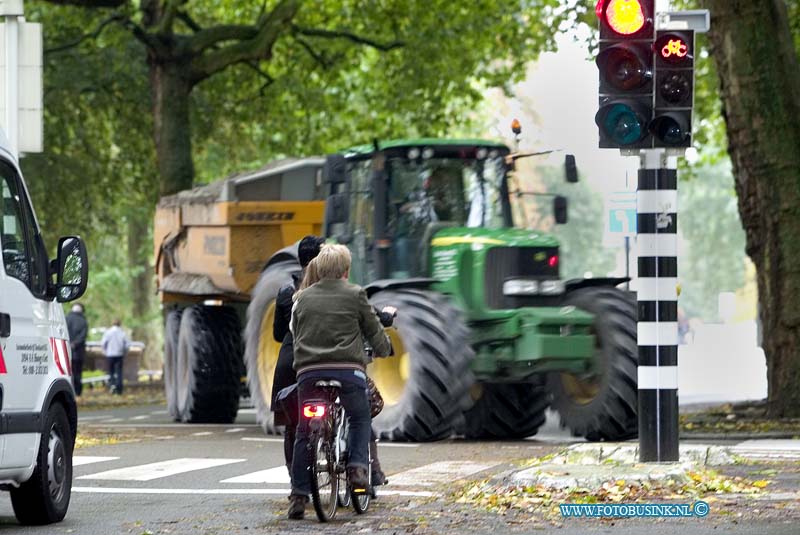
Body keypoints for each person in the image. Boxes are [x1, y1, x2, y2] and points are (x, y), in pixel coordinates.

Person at [287, 244, 395, 520]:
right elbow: (373, 330)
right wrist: (384, 349)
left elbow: (294, 332)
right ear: (346, 270)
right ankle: (358, 468)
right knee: (360, 418)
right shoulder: (356, 294)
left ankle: (299, 496)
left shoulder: (301, 298)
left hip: (308, 372)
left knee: (302, 431)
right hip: (348, 370)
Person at [272, 235, 326, 472]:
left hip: (290, 363)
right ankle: (364, 469)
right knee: (354, 409)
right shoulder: (332, 290)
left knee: (292, 425)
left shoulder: (286, 291)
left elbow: (277, 333)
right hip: (323, 359)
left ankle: (296, 480)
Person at [101, 319, 130, 395]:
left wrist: (105, 352)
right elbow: (127, 345)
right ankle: (119, 389)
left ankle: (112, 386)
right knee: (119, 372)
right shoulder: (122, 333)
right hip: (119, 355)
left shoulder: (108, 332)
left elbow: (103, 343)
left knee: (111, 372)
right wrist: (125, 352)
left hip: (110, 355)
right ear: (120, 324)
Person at [66, 303, 88, 397]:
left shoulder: (66, 318)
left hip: (66, 351)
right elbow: (83, 335)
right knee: (78, 372)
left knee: (67, 372)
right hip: (78, 351)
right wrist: (75, 343)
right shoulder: (83, 321)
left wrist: (69, 343)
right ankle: (78, 392)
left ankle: (69, 391)